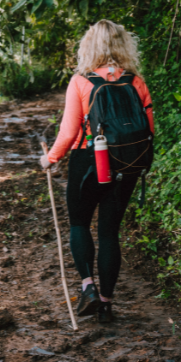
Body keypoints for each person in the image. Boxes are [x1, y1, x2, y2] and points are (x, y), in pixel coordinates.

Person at [39, 19, 155, 323]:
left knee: (79, 223)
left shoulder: (81, 82)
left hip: (88, 162)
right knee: (109, 233)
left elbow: (67, 134)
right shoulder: (136, 82)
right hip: (128, 165)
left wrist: (50, 159)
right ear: (123, 44)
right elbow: (150, 130)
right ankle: (106, 304)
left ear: (88, 47)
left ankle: (88, 287)